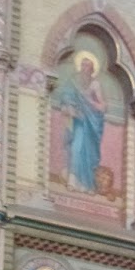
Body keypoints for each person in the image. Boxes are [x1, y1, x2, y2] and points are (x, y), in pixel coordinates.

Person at [57, 52, 106, 192]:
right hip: (76, 122)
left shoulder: (95, 84)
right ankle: (72, 181)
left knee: (88, 154)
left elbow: (102, 106)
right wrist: (70, 108)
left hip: (90, 124)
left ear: (92, 69)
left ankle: (87, 185)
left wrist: (90, 101)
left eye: (87, 66)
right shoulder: (73, 81)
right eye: (83, 65)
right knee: (75, 149)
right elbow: (66, 97)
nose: (84, 68)